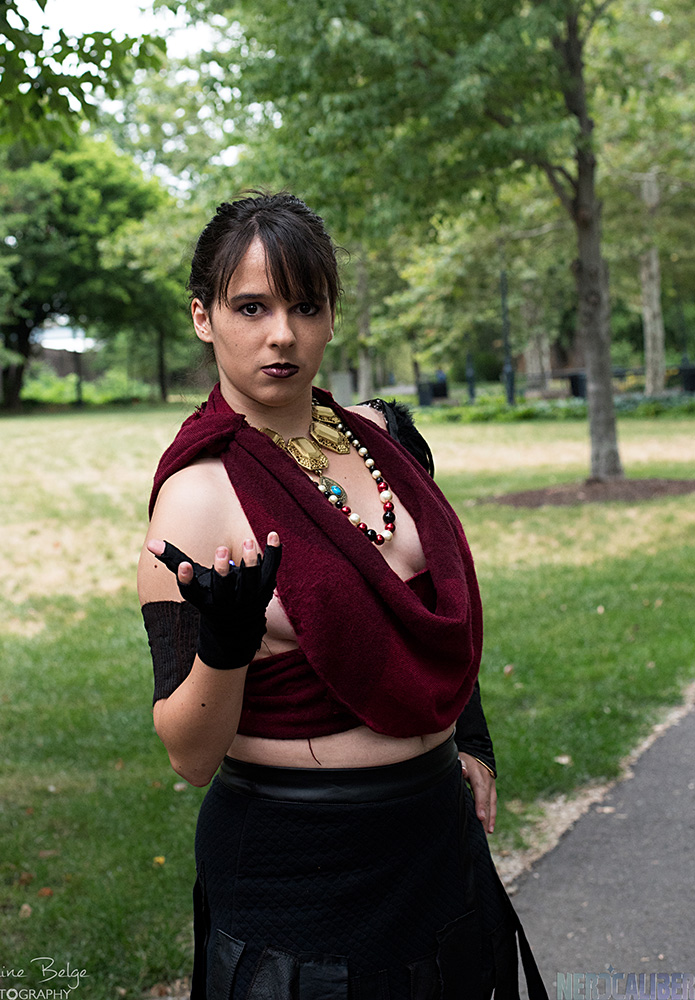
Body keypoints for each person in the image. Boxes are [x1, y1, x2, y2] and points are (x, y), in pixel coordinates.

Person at [137, 192, 547, 1000]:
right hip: (304, 868)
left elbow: (427, 614)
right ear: (202, 317)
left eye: (305, 306)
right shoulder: (196, 497)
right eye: (250, 307)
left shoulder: (383, 437)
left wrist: (467, 733)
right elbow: (189, 756)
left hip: (436, 839)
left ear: (330, 316)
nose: (281, 334)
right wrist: (225, 643)